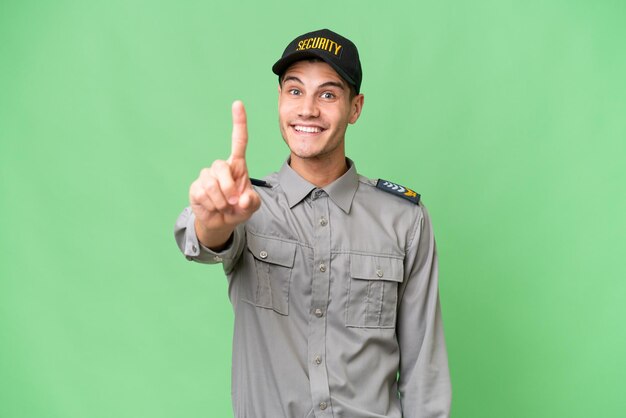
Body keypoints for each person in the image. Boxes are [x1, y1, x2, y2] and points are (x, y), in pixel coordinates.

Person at [174, 28, 451, 418]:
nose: (307, 109)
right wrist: (213, 219)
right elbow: (203, 240)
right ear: (280, 99)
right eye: (294, 90)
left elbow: (425, 369)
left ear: (355, 108)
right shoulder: (248, 205)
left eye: (328, 94)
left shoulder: (404, 218)